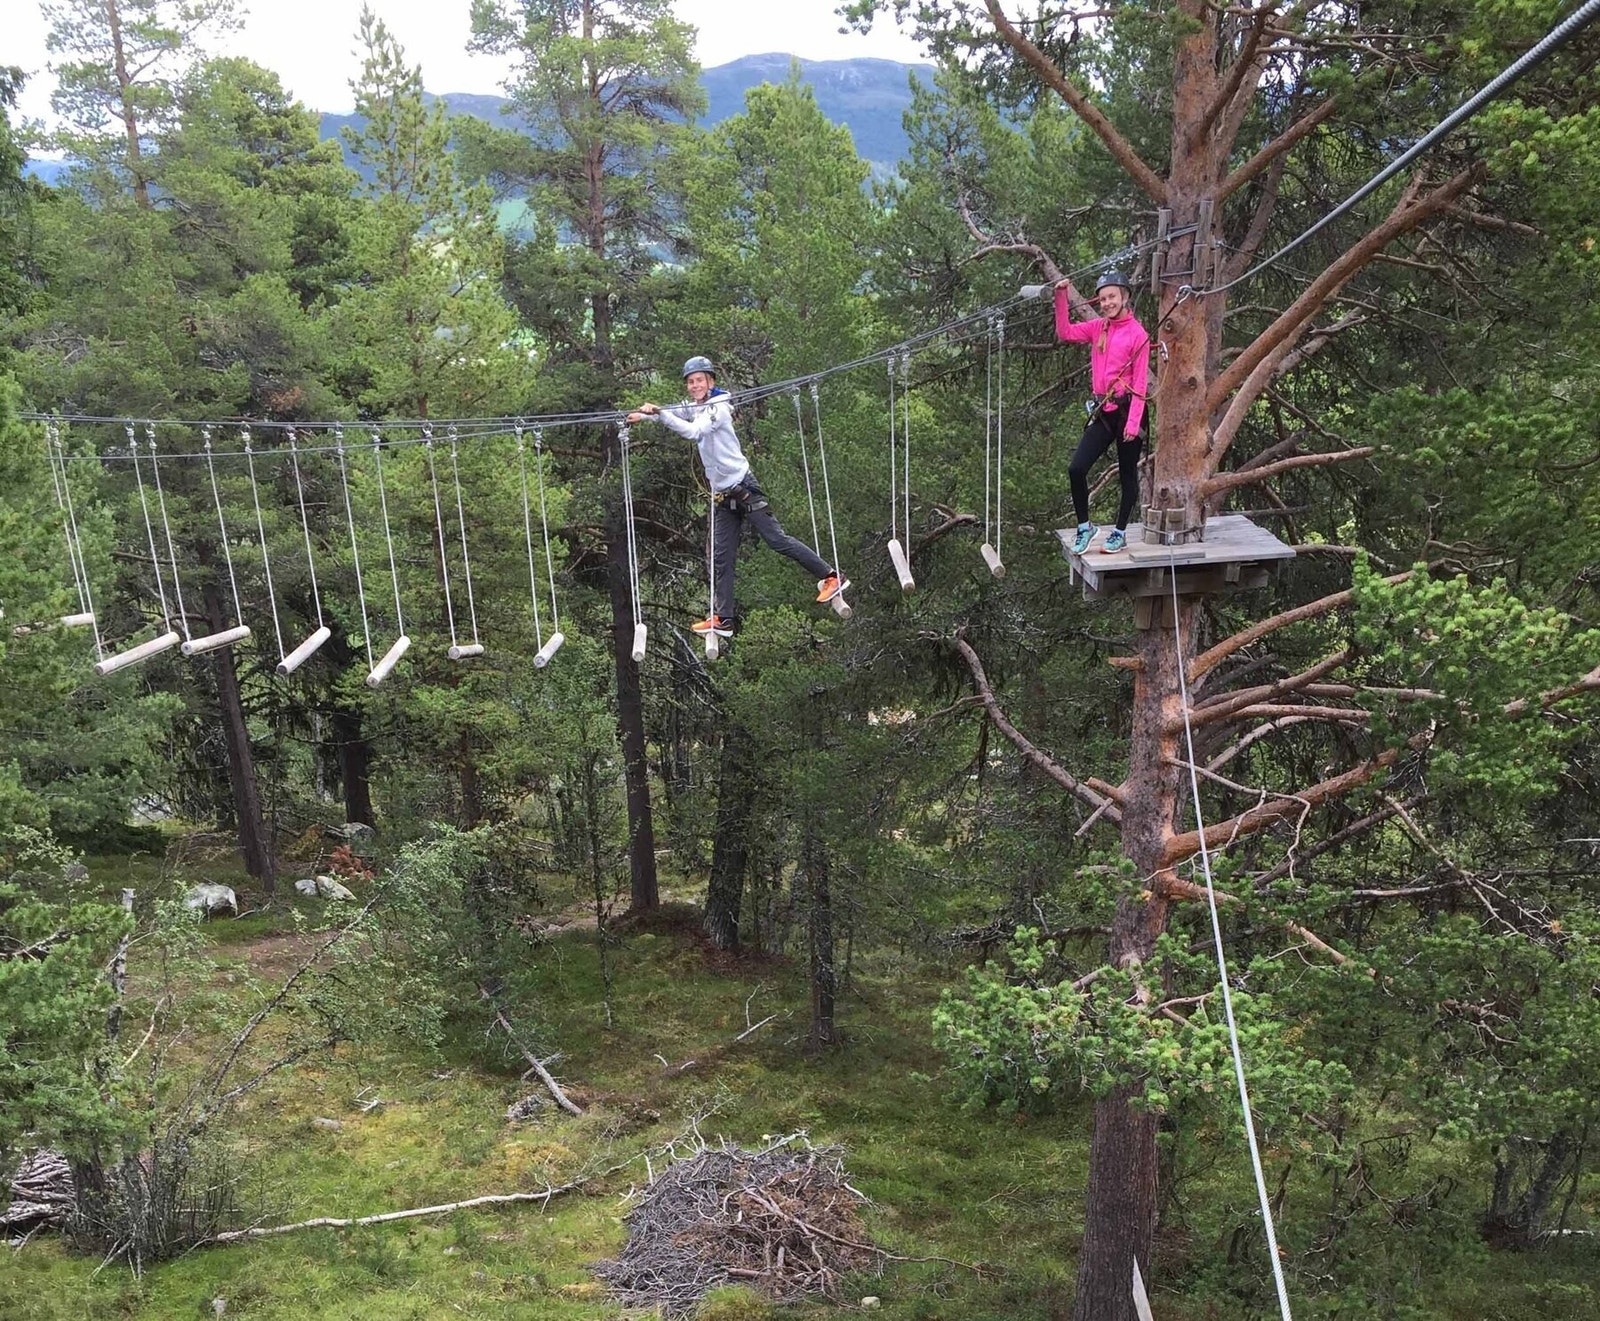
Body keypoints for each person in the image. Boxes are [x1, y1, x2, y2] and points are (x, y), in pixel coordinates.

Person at [627, 356, 849, 638]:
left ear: (711, 381)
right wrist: (644, 415)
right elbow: (675, 411)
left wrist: (659, 414)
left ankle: (831, 576)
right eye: (690, 382)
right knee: (721, 558)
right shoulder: (697, 406)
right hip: (723, 497)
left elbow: (693, 431)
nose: (694, 385)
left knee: (777, 540)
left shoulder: (717, 408)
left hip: (744, 488)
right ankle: (724, 618)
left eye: (699, 380)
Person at [1055, 271, 1151, 554]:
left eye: (1112, 297)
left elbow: (1141, 382)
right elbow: (1066, 332)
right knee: (1076, 468)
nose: (1106, 302)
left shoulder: (1138, 334)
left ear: (1125, 297)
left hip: (1128, 413)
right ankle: (1085, 527)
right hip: (1104, 412)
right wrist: (1061, 297)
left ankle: (1119, 532)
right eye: (1102, 298)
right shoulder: (1099, 328)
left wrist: (1134, 422)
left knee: (1127, 475)